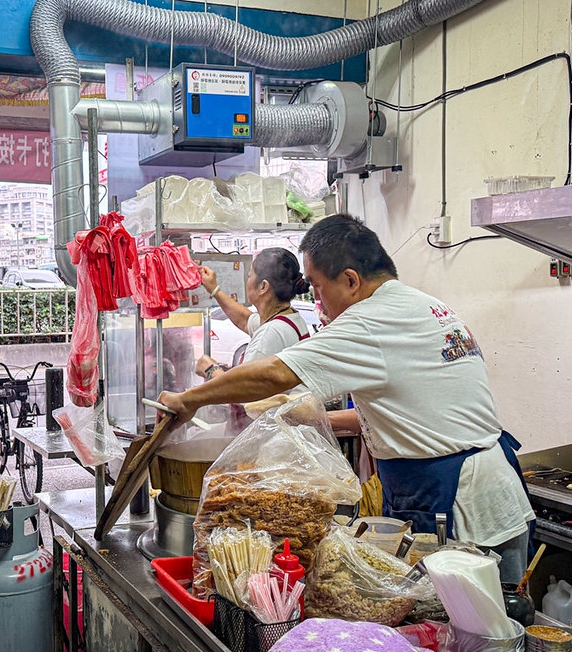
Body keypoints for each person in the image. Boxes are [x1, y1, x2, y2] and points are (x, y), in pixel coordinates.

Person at [159, 214, 535, 583]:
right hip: (491, 497)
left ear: (351, 280)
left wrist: (191, 399)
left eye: (319, 289)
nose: (317, 303)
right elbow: (405, 413)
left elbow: (274, 373)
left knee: (470, 637)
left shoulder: (372, 320)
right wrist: (310, 418)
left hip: (458, 510)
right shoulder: (424, 306)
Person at [195, 247, 312, 381]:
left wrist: (211, 370)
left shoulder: (270, 334)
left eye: (250, 276)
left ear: (263, 287)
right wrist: (214, 290)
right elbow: (245, 320)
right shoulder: (287, 319)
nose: (247, 281)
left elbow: (242, 390)